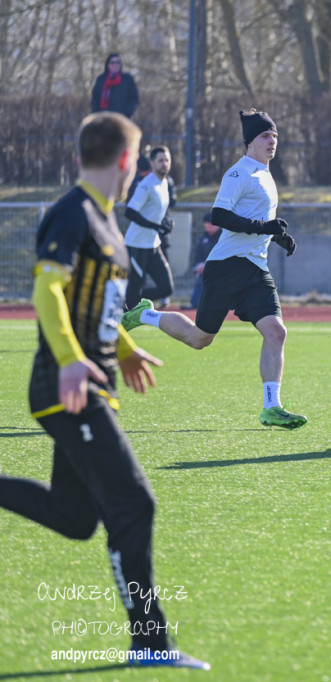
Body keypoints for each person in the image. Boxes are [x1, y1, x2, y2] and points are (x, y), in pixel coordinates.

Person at [0, 112, 207, 669]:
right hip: (68, 388)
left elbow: (96, 308)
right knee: (134, 504)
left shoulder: (107, 220)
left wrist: (124, 348)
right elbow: (48, 293)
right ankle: (151, 644)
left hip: (90, 382)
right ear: (125, 161)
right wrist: (70, 361)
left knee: (74, 517)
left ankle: (150, 644)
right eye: (136, 160)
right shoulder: (73, 215)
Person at [121, 110, 307, 430]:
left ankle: (271, 407)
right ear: (249, 142)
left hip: (255, 269)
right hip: (226, 268)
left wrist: (279, 237)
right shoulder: (239, 173)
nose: (272, 142)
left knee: (277, 332)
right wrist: (264, 228)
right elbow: (219, 216)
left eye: (275, 136)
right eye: (265, 136)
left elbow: (256, 219)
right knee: (199, 339)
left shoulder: (265, 174)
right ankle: (145, 315)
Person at [123, 146, 174, 309]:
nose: (164, 164)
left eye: (167, 160)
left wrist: (166, 223)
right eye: (160, 161)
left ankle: (132, 301)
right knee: (132, 294)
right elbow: (130, 212)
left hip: (153, 245)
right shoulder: (146, 185)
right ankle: (126, 306)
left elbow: (157, 211)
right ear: (152, 163)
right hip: (136, 246)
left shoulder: (164, 182)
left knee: (166, 288)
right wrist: (155, 226)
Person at [185, 212, 221, 310]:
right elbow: (198, 255)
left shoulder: (224, 237)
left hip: (221, 270)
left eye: (211, 226)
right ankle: (195, 303)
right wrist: (199, 266)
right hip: (205, 272)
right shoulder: (203, 238)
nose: (208, 229)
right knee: (200, 280)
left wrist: (209, 265)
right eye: (206, 227)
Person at [90, 53, 140, 119]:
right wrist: (97, 114)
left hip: (122, 119)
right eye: (112, 62)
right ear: (107, 65)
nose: (115, 65)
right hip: (103, 119)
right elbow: (95, 99)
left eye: (118, 62)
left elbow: (134, 99)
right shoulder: (101, 79)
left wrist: (127, 113)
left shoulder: (127, 79)